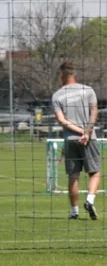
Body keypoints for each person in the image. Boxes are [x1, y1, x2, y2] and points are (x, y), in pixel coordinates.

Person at [52, 61, 101, 220]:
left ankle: (74, 212)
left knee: (73, 175)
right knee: (95, 172)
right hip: (89, 138)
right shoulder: (88, 90)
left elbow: (62, 120)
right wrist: (87, 132)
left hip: (71, 139)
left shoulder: (57, 96)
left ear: (61, 75)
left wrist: (79, 132)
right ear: (75, 73)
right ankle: (90, 200)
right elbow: (94, 112)